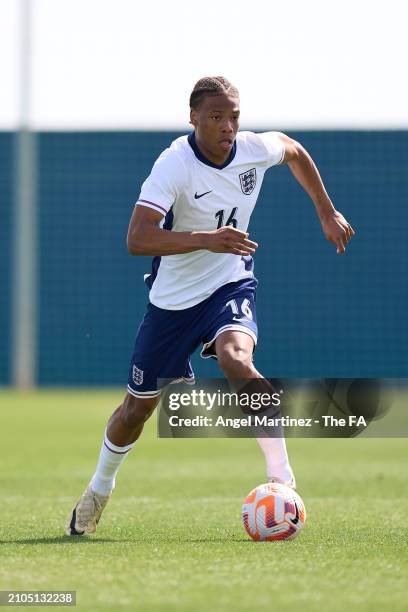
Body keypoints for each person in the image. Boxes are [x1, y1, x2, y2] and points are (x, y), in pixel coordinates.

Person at [67, 76, 354, 535]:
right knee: (135, 411)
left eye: (234, 116)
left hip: (229, 284)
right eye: (216, 117)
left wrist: (325, 209)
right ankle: (100, 488)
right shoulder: (173, 165)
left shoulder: (253, 149)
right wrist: (207, 239)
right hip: (173, 303)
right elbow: (137, 238)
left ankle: (282, 478)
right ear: (193, 118)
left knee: (236, 359)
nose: (227, 126)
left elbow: (294, 151)